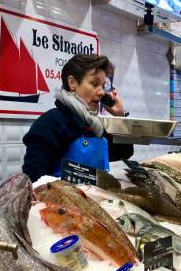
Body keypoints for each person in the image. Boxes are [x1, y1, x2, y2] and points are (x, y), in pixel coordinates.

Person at [22, 54, 133, 182]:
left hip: (97, 199)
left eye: (102, 86)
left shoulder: (96, 125)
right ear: (72, 83)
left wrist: (120, 115)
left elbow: (124, 152)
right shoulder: (51, 123)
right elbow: (33, 179)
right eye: (94, 83)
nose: (101, 92)